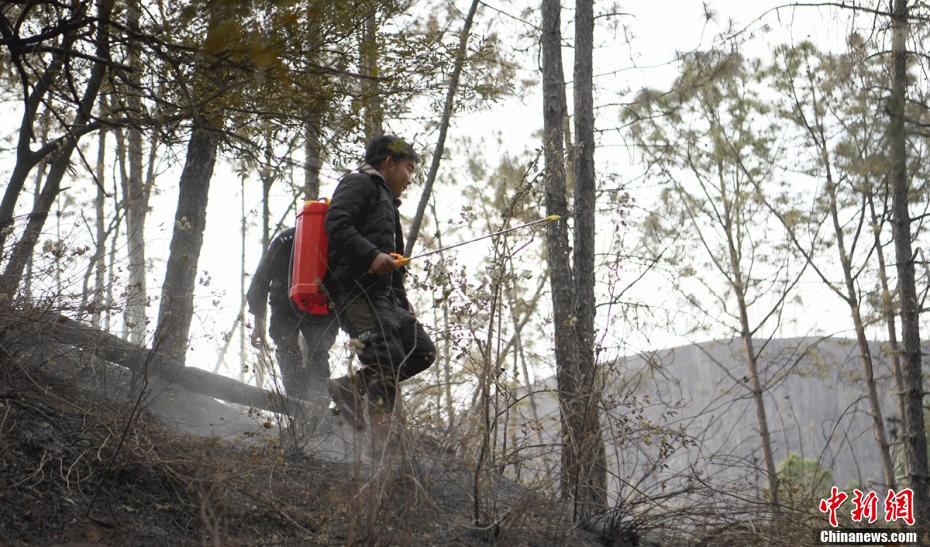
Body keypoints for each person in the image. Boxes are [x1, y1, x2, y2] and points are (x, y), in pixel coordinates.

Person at [324, 135, 435, 455]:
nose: (410, 179)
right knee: (385, 358)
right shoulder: (358, 183)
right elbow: (337, 223)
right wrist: (372, 256)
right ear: (389, 162)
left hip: (385, 297)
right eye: (409, 169)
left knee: (421, 350)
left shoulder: (387, 201)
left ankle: (349, 387)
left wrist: (403, 302)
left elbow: (393, 261)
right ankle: (381, 446)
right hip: (354, 291)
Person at [247, 227, 339, 402]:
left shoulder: (284, 238)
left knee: (288, 351)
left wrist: (258, 323)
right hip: (321, 307)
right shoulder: (338, 238)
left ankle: (299, 408)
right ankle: (315, 411)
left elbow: (261, 280)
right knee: (318, 354)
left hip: (284, 304)